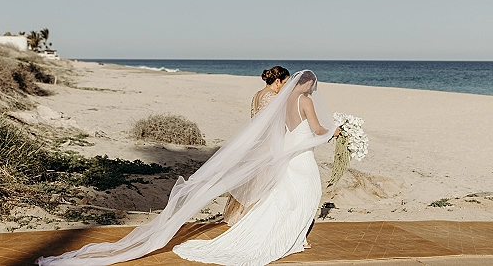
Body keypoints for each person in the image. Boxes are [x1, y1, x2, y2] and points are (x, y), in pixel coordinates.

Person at [37, 70, 337, 266]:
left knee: (280, 194)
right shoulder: (299, 101)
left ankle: (288, 233)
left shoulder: (273, 99)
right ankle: (288, 234)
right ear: (296, 83)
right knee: (297, 192)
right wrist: (338, 130)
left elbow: (266, 122)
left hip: (278, 148)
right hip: (289, 152)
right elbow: (307, 128)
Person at [223, 65, 290, 225]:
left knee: (253, 183)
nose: (286, 87)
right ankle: (255, 220)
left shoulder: (257, 95)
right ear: (278, 81)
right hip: (267, 144)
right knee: (263, 184)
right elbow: (274, 125)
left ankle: (240, 216)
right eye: (286, 83)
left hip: (256, 143)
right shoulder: (273, 98)